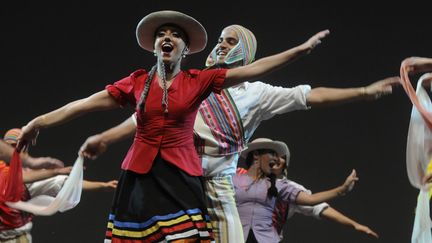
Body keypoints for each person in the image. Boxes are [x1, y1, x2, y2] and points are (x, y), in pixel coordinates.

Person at [17, 10, 331, 242]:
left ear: (185, 47)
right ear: (155, 45)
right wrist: (38, 122)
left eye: (176, 35)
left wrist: (299, 52)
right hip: (140, 178)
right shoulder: (138, 82)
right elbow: (84, 104)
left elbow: (252, 70)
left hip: (181, 178)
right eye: (162, 34)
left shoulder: (198, 81)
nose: (168, 38)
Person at [79, 24, 400, 242]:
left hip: (218, 184)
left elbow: (309, 96)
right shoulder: (189, 80)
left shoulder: (257, 93)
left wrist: (363, 92)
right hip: (175, 178)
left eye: (230, 41)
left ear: (246, 52)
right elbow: (145, 120)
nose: (221, 45)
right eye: (220, 39)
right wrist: (107, 136)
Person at [0, 128, 118, 243]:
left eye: (19, 147)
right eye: (10, 147)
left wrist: (102, 186)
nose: (14, 151)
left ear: (25, 151)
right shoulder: (5, 169)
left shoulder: (32, 178)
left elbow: (66, 183)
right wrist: (55, 171)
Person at [233, 138, 358, 243]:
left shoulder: (279, 185)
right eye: (272, 154)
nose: (276, 159)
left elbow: (311, 200)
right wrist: (211, 239)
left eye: (279, 157)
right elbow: (213, 211)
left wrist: (341, 190)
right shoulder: (233, 178)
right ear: (256, 155)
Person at [268, 145, 378, 241]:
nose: (277, 159)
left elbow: (317, 205)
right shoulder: (251, 181)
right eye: (272, 154)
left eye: (282, 157)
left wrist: (355, 225)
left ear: (285, 166)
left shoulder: (290, 188)